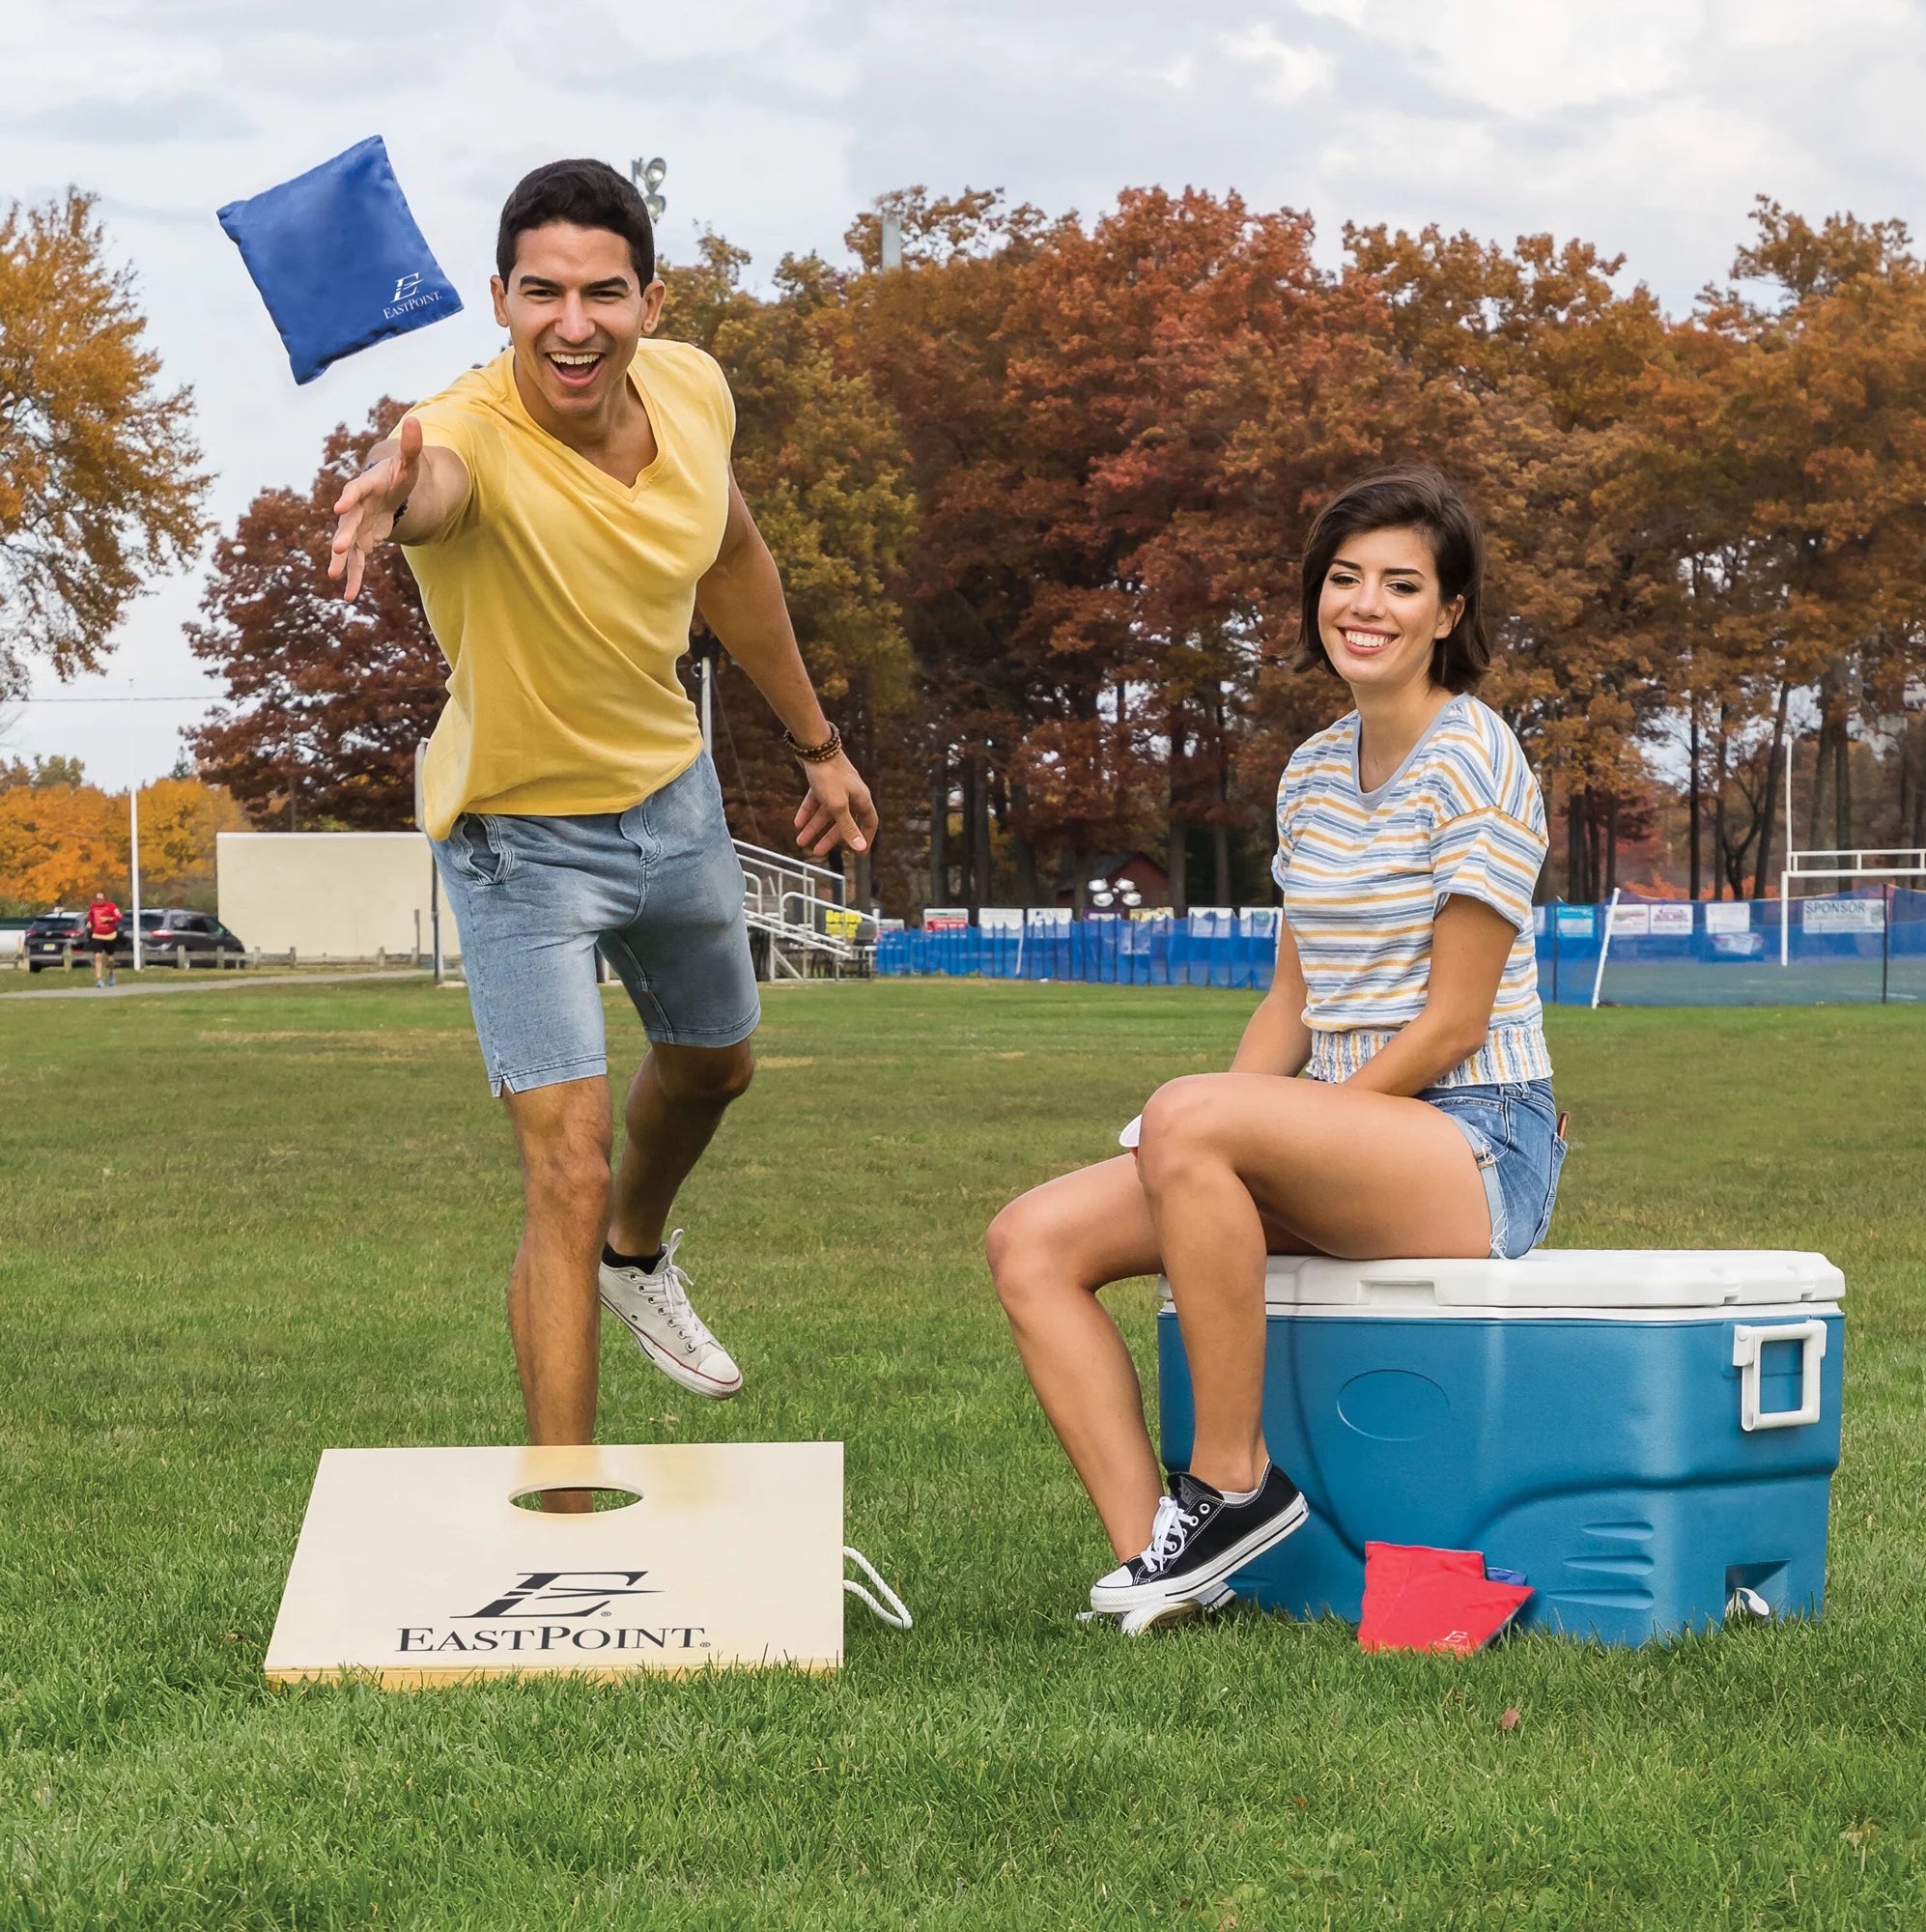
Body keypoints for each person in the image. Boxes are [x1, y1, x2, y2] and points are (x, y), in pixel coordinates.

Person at [326, 158, 876, 1508]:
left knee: (717, 1069)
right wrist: (386, 496)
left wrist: (819, 744)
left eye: (603, 294)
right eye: (543, 293)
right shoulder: (458, 431)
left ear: (651, 301)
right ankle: (563, 1511)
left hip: (672, 803)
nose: (574, 323)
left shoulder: (692, 386)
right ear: (504, 298)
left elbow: (734, 558)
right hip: (517, 841)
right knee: (562, 1169)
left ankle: (643, 1246)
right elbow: (436, 488)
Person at [986, 469, 1564, 1631]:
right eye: (1344, 578)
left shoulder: (1477, 756)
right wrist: (1216, 1133)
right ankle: (1170, 1557)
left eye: (1402, 583)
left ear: (1447, 613)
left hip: (1478, 1140)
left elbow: (1454, 1019)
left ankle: (1234, 1481)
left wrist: (1261, 1126)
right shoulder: (1307, 772)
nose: (1366, 603)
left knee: (1192, 1114)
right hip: (1353, 1130)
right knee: (1030, 1239)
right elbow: (1289, 1001)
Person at [85, 889, 122, 988]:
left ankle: (111, 973)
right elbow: (90, 917)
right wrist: (89, 922)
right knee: (98, 956)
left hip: (110, 935)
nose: (99, 901)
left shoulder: (111, 906)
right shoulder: (93, 906)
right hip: (97, 934)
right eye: (97, 899)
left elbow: (119, 916)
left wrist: (108, 919)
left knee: (110, 958)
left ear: (105, 899)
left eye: (101, 899)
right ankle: (99, 979)